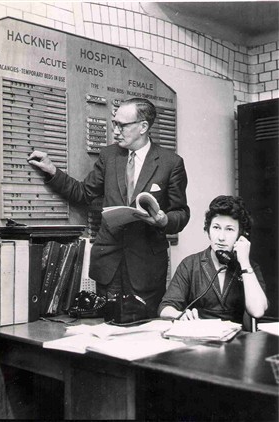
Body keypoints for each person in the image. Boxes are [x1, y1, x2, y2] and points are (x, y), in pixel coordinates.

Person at [28, 97, 190, 318]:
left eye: (122, 125)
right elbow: (83, 193)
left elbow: (181, 212)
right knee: (106, 332)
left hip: (146, 269)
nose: (115, 131)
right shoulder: (109, 156)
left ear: (143, 127)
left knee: (144, 334)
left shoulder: (171, 163)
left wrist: (164, 221)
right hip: (108, 265)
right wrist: (52, 171)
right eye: (115, 123)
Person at [158, 195, 268, 326]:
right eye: (216, 227)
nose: (221, 237)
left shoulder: (249, 268)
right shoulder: (190, 265)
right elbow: (165, 308)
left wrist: (244, 264)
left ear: (240, 235)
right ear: (208, 230)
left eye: (229, 229)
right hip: (200, 339)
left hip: (237, 341)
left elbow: (258, 311)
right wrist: (180, 315)